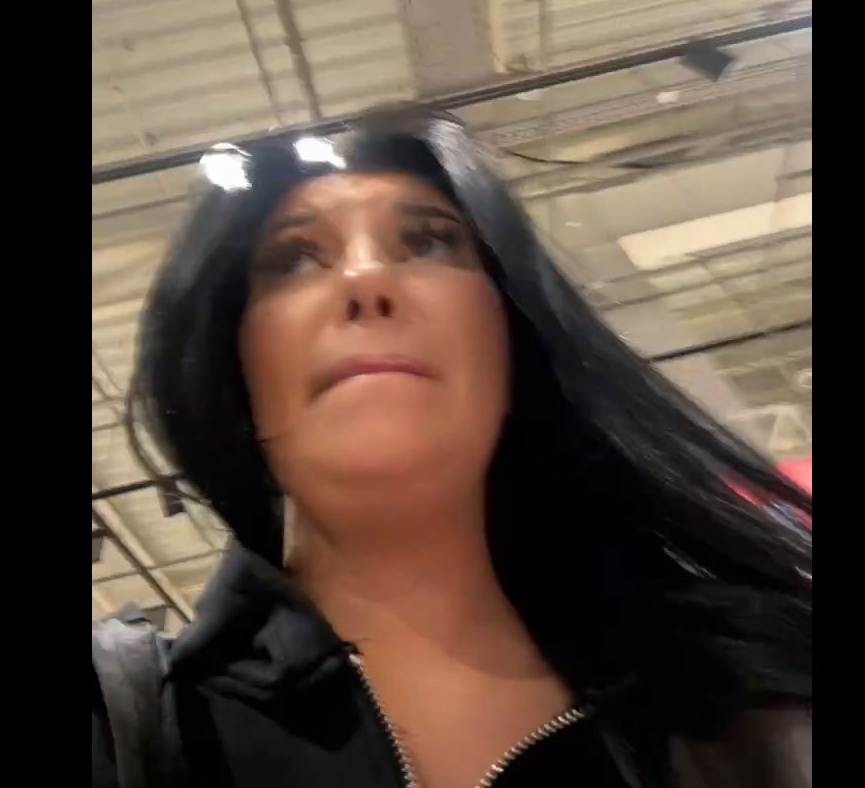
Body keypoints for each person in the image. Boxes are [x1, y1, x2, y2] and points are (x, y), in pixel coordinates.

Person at [92, 106, 812, 787]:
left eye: (429, 241)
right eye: (294, 258)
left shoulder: (752, 708)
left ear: (511, 337)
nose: (366, 278)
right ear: (235, 363)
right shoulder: (128, 722)